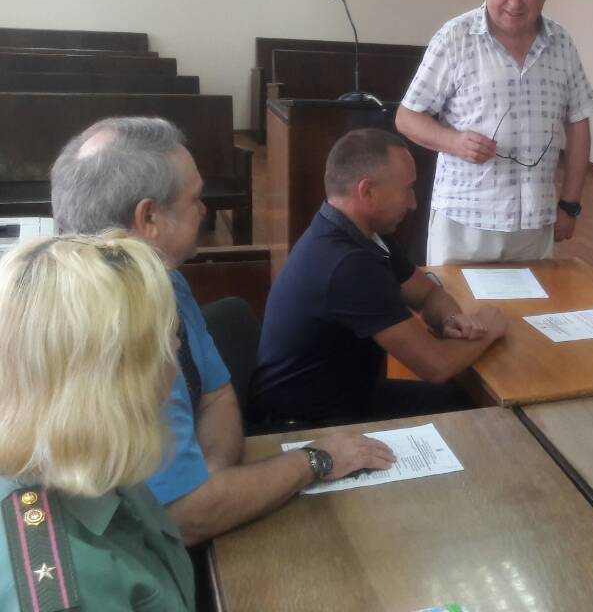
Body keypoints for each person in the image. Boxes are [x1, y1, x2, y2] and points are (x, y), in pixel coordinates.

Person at [50, 117, 395, 546]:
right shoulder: (106, 330)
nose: (204, 210)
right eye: (195, 198)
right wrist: (317, 460)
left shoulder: (165, 282)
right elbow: (184, 519)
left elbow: (216, 398)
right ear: (149, 217)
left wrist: (214, 483)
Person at [254, 129, 507, 427]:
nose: (413, 203)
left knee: (466, 402)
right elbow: (435, 366)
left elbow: (428, 294)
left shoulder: (361, 233)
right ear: (368, 192)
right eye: (407, 189)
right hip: (306, 425)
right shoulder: (347, 264)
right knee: (482, 416)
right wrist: (489, 327)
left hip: (350, 397)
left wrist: (451, 319)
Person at [0, 234, 192, 609]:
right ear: (115, 379)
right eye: (166, 336)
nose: (176, 348)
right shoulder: (63, 586)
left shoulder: (92, 464)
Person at [396, 0, 593, 264]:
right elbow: (407, 117)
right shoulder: (454, 38)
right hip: (465, 222)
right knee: (455, 301)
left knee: (533, 301)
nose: (515, 3)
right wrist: (454, 142)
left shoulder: (561, 44)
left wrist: (570, 204)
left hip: (535, 223)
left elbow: (579, 123)